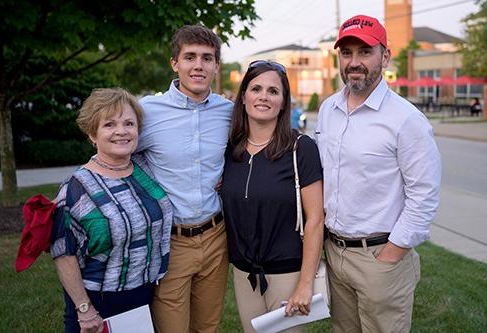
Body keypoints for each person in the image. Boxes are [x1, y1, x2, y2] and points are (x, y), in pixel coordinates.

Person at [315, 15, 441, 333]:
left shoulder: (406, 119)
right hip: (336, 253)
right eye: (347, 53)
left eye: (365, 51)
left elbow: (424, 196)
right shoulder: (328, 110)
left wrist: (392, 252)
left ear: (385, 56)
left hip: (380, 258)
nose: (354, 62)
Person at [50, 88, 173, 333]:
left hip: (146, 298)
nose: (121, 131)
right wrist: (84, 309)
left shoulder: (145, 171)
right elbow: (64, 254)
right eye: (109, 124)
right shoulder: (75, 189)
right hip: (98, 304)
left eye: (129, 123)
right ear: (92, 134)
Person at [136, 24, 233, 333]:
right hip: (171, 240)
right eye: (190, 57)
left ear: (216, 66)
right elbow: (118, 153)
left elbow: (248, 152)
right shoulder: (147, 112)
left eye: (207, 58)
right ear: (174, 63)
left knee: (207, 327)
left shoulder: (229, 113)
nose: (199, 65)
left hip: (217, 236)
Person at [220, 60, 325, 333]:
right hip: (244, 274)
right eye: (256, 88)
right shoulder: (232, 151)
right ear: (243, 97)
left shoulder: (301, 148)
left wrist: (305, 283)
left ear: (283, 101)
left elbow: (315, 219)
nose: (263, 96)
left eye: (273, 91)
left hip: (287, 275)